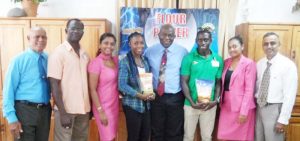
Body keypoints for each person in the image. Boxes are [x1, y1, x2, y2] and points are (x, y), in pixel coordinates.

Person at [2, 27, 51, 141]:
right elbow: (8, 90)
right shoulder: (18, 60)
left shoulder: (49, 59)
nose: (41, 39)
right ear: (29, 39)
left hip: (45, 111)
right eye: (37, 37)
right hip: (24, 111)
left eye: (43, 37)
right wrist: (11, 118)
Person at [48, 18, 91, 141]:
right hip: (66, 110)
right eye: (73, 28)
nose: (76, 31)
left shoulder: (85, 54)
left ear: (83, 32)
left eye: (79, 29)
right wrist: (62, 113)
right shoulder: (58, 53)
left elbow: (87, 83)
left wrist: (90, 108)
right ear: (66, 30)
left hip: (83, 111)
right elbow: (54, 84)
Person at [144, 24, 188, 141]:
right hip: (156, 97)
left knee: (174, 132)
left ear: (174, 36)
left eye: (170, 35)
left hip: (176, 98)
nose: (167, 38)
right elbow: (144, 72)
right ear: (158, 35)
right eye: (164, 34)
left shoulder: (183, 52)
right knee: (156, 131)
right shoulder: (149, 51)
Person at [180, 27, 224, 141]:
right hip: (191, 105)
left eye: (205, 40)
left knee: (206, 137)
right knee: (188, 136)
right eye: (200, 40)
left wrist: (215, 100)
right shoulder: (188, 58)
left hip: (210, 105)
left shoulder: (218, 59)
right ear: (196, 41)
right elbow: (183, 81)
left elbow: (219, 83)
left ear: (210, 40)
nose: (202, 42)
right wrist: (191, 102)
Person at [255, 32, 298, 141]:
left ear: (279, 44)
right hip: (259, 108)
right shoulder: (259, 64)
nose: (269, 46)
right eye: (266, 44)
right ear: (262, 46)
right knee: (258, 138)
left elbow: (290, 95)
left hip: (275, 110)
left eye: (272, 43)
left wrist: (282, 120)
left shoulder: (288, 65)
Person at [217, 36, 256, 141]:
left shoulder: (249, 63)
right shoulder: (226, 62)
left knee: (241, 138)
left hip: (241, 107)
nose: (231, 49)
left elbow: (249, 90)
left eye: (234, 46)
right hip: (226, 106)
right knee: (222, 136)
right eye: (229, 47)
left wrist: (243, 112)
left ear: (242, 46)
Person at [119, 32, 155, 141]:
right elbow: (122, 85)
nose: (139, 46)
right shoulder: (125, 62)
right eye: (136, 43)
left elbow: (148, 81)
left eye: (141, 43)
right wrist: (139, 95)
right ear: (130, 44)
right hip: (132, 105)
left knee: (145, 136)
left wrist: (151, 93)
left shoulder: (145, 61)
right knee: (133, 137)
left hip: (146, 105)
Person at [88, 33, 119, 141]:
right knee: (107, 138)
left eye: (112, 44)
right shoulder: (96, 63)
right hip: (103, 107)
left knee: (113, 137)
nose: (109, 46)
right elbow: (92, 89)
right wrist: (100, 111)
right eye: (106, 43)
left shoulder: (115, 60)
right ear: (100, 45)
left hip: (114, 105)